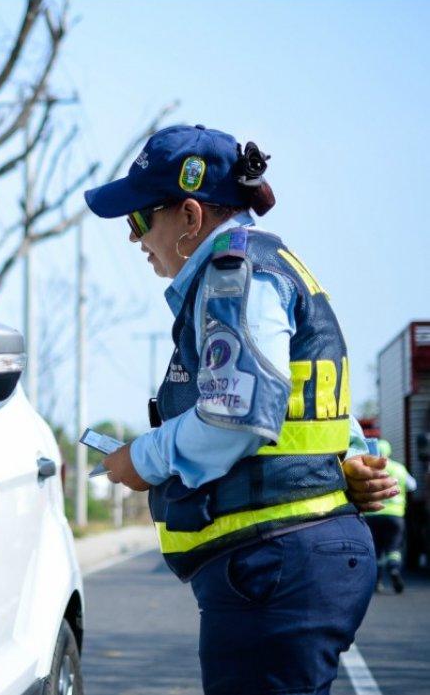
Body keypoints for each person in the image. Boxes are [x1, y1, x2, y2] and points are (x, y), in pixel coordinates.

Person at [84, 124, 401, 695]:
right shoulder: (268, 264)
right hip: (286, 563)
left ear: (189, 217)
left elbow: (238, 413)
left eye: (138, 219)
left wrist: (143, 458)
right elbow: (304, 396)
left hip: (273, 567)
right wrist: (344, 458)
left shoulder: (236, 274)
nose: (134, 239)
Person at [365, 438, 417, 593]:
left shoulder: (368, 469)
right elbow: (412, 485)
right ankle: (394, 569)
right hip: (395, 516)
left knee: (377, 549)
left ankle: (377, 581)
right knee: (394, 547)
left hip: (373, 514)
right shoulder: (399, 469)